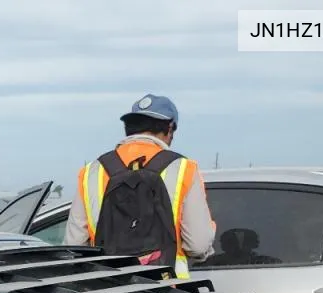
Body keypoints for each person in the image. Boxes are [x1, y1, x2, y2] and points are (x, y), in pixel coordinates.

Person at [64, 94, 215, 278]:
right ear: (170, 128)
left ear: (129, 128)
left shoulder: (91, 172)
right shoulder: (184, 169)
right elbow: (197, 245)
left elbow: (74, 245)